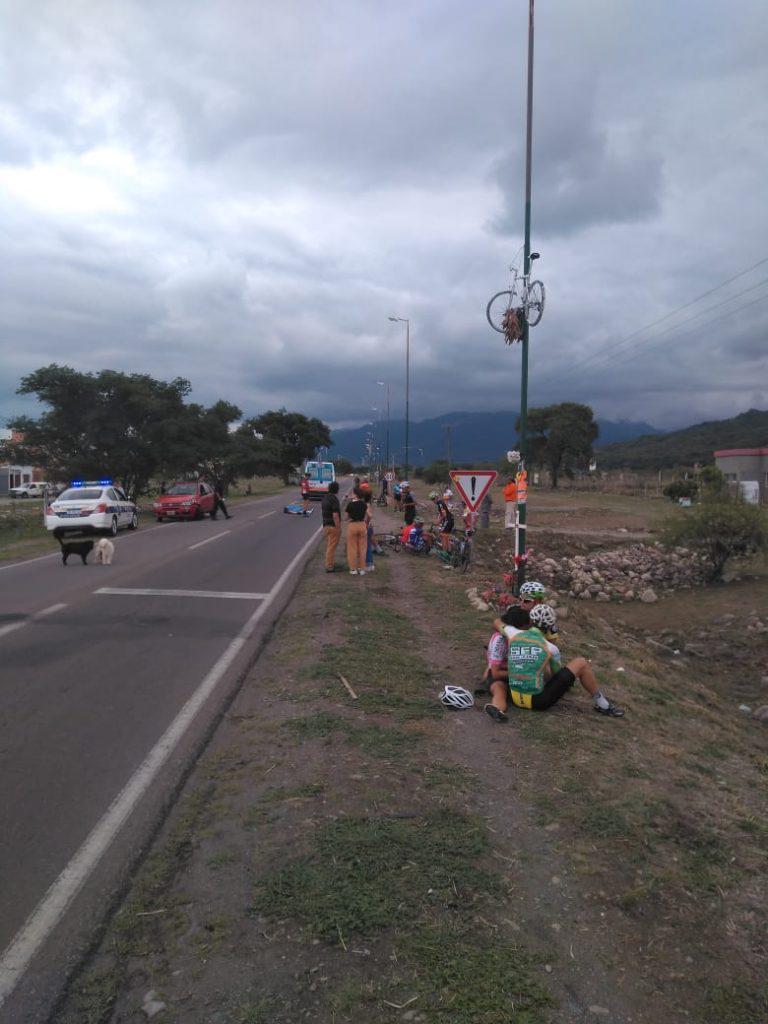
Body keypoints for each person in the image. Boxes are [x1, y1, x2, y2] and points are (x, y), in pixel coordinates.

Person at [485, 607, 624, 721]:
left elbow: (497, 622)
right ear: (550, 627)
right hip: (539, 701)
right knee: (581, 663)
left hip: (515, 696)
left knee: (504, 683)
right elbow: (556, 676)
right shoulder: (551, 648)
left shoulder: (512, 633)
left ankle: (498, 707)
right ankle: (604, 705)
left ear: (530, 621)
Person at [345, 487, 368, 575]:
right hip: (362, 525)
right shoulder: (364, 504)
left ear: (355, 494)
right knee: (362, 548)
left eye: (352, 493)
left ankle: (353, 569)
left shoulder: (350, 505)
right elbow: (365, 515)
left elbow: (347, 517)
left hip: (353, 525)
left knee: (352, 548)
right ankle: (362, 569)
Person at [321, 481, 342, 572]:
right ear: (336, 489)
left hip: (325, 525)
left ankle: (330, 563)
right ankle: (329, 566)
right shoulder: (334, 500)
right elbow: (335, 515)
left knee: (329, 546)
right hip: (333, 526)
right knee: (331, 547)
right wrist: (338, 528)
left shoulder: (325, 498)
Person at [363, 489, 375, 572]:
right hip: (370, 526)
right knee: (369, 545)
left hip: (367, 526)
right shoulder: (369, 504)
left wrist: (366, 523)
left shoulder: (366, 505)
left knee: (367, 546)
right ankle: (370, 563)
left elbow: (369, 516)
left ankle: (368, 564)